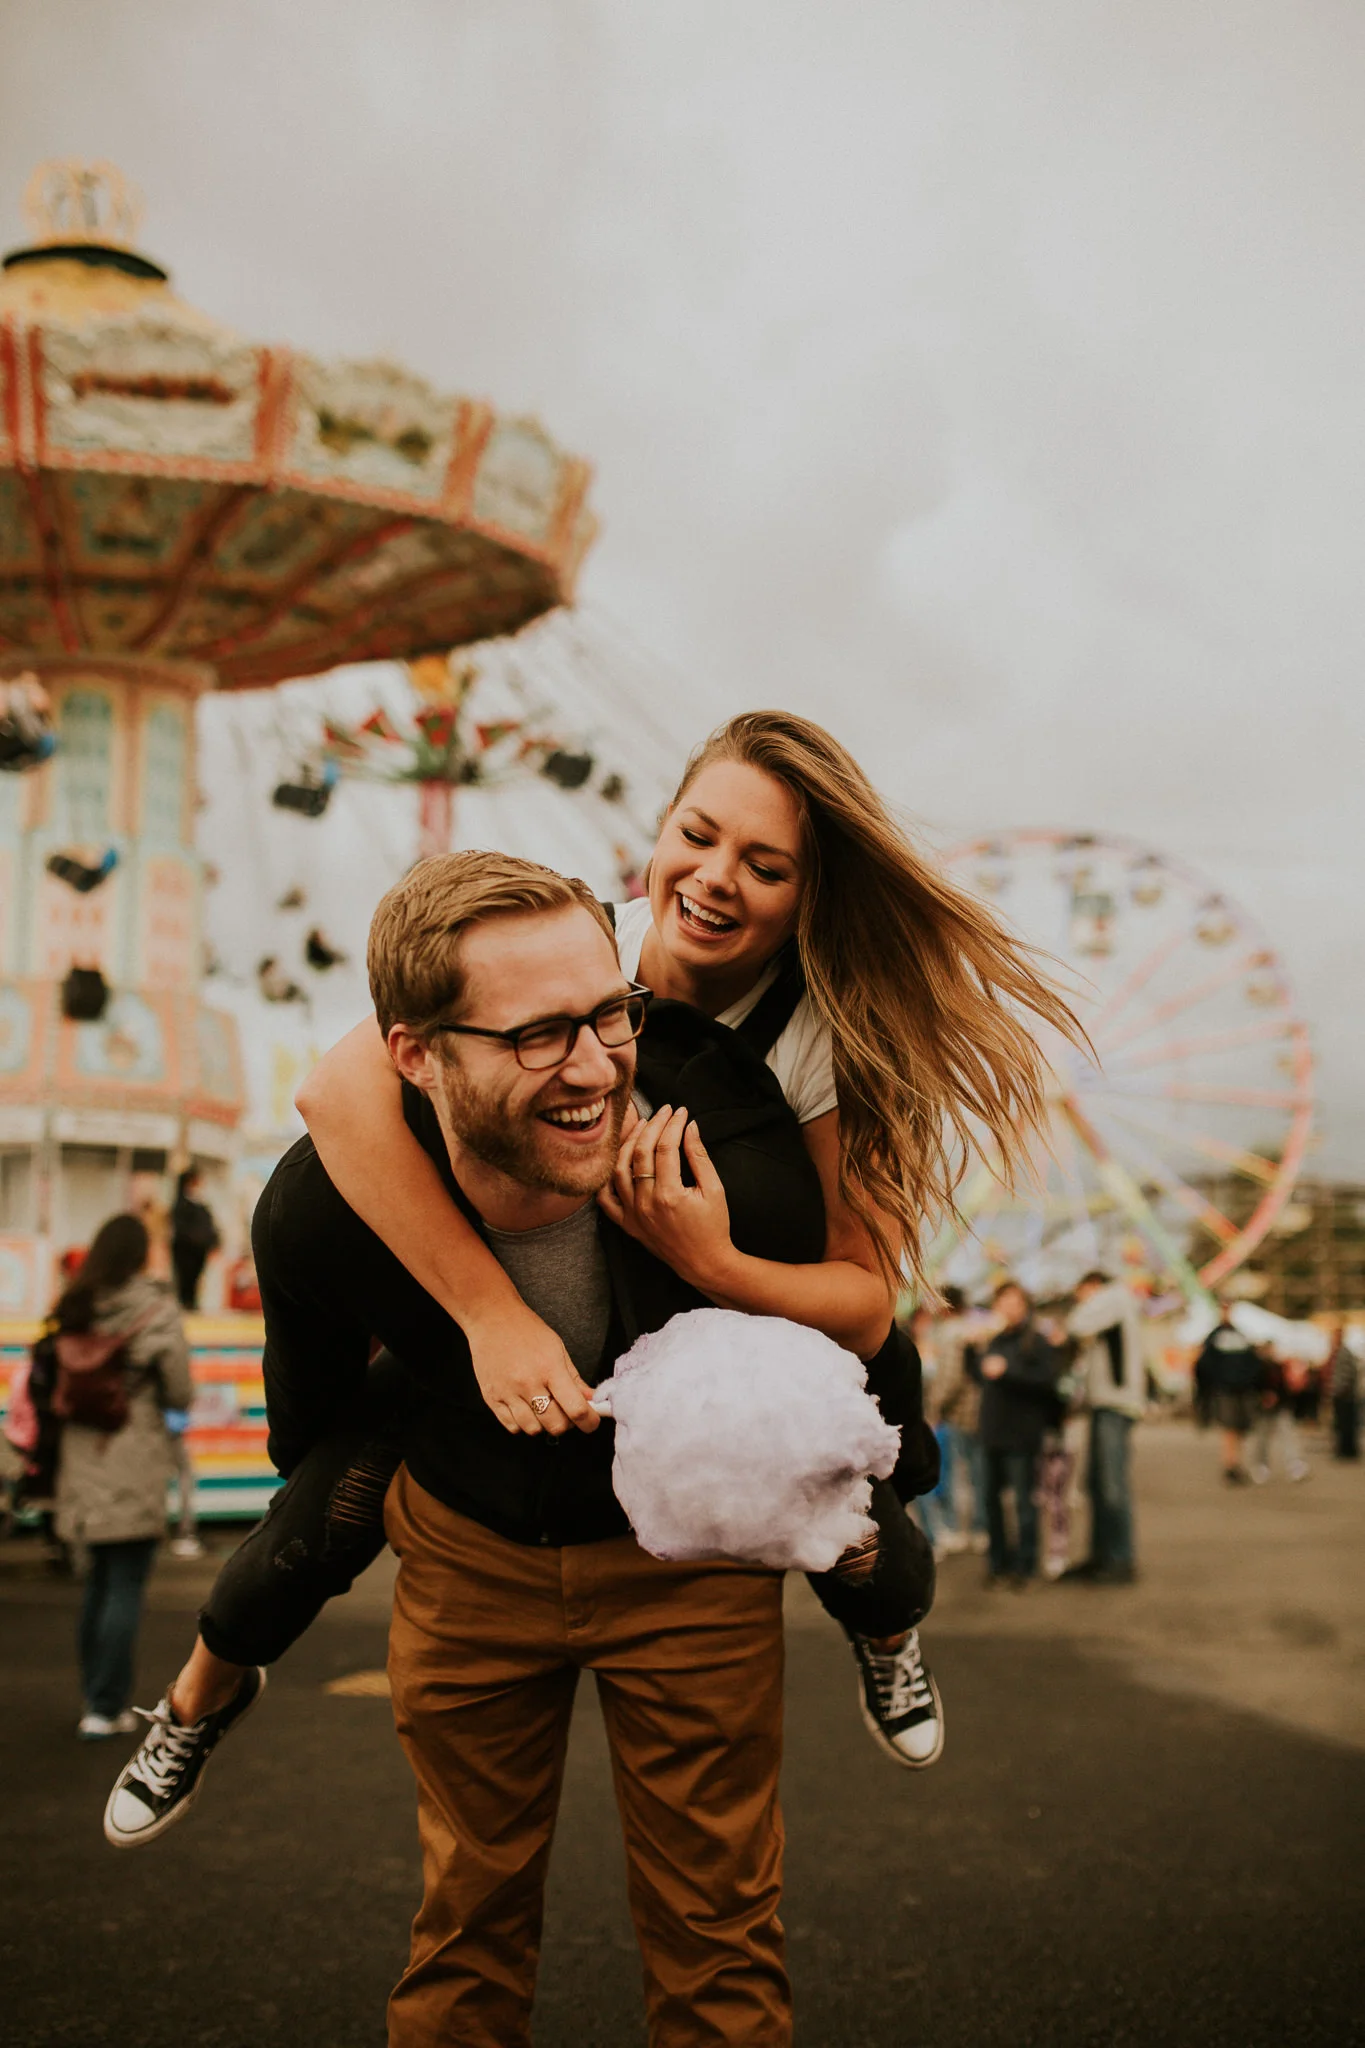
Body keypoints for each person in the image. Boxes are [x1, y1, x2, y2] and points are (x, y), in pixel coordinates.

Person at [107, 713, 1080, 1835]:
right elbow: (340, 1095)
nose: (715, 878)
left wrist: (707, 1255)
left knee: (865, 1466)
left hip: (724, 1309)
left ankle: (887, 1630)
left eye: (764, 865)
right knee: (320, 1509)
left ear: (813, 894)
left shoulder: (827, 1036)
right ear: (658, 829)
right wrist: (487, 1314)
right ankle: (200, 1695)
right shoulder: (571, 947)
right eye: (697, 835)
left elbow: (862, 1296)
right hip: (532, 1315)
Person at [50, 1214, 190, 1738]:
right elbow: (178, 1389)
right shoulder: (155, 1308)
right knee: (125, 1584)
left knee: (98, 1583)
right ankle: (107, 1708)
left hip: (81, 1456)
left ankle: (93, 1698)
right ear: (139, 1256)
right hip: (133, 1452)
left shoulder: (73, 1304)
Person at [969, 1281, 1065, 1586]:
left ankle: (1025, 1563)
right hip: (992, 1432)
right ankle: (997, 1563)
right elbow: (979, 1378)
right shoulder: (993, 1340)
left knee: (1025, 1502)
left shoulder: (1037, 1342)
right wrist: (970, 1352)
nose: (1009, 1309)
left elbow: (1047, 1382)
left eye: (1015, 1303)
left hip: (1023, 1435)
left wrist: (1007, 1370)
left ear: (1025, 1307)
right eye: (1003, 1303)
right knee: (989, 1501)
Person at [1062, 1270, 1147, 1582]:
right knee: (1096, 1484)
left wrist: (1087, 1304)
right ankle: (1101, 1556)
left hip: (1115, 1405)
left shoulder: (1115, 1297)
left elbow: (1077, 1323)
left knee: (1111, 1485)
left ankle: (1119, 1559)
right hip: (1105, 1404)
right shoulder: (1116, 1303)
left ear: (1093, 1287)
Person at [1193, 1304, 1262, 1484]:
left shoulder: (1239, 1335)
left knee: (1239, 1429)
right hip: (1225, 1390)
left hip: (1240, 1389)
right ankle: (1231, 1464)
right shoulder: (1217, 1337)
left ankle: (1235, 1463)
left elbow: (1254, 1363)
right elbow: (1205, 1365)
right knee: (1230, 1428)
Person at [1249, 1353, 1310, 1484]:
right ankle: (1262, 1466)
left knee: (1285, 1435)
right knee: (1264, 1437)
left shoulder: (1280, 1366)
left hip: (1280, 1405)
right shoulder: (1259, 1367)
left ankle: (1294, 1464)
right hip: (1266, 1407)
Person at [170, 1167, 220, 1312]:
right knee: (185, 1279)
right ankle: (185, 1304)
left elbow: (210, 1226)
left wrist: (213, 1242)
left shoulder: (202, 1205)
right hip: (186, 1250)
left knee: (196, 1279)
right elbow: (180, 1228)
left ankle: (192, 1303)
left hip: (200, 1250)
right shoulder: (181, 1205)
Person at [1326, 1325, 1360, 1460]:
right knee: (1342, 1424)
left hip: (1344, 1395)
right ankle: (1345, 1450)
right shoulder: (1339, 1352)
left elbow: (1347, 1375)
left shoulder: (1343, 1353)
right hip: (1341, 1394)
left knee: (1345, 1424)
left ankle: (1347, 1451)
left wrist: (1340, 1390)